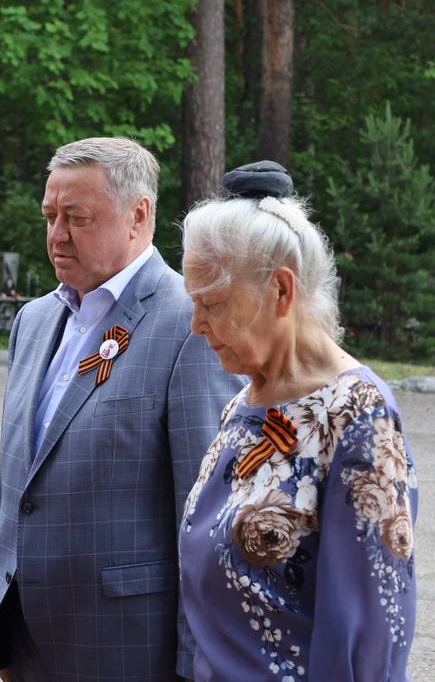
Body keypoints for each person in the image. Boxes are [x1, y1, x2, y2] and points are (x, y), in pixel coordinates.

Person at [0, 137, 244, 682]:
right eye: (50, 216)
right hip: (26, 644)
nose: (57, 235)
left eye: (77, 218)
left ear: (138, 215)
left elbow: (210, 522)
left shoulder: (192, 326)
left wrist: (197, 667)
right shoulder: (33, 322)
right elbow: (21, 491)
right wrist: (4, 634)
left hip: (127, 648)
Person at [177, 161, 418, 681]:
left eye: (212, 303)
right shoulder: (245, 402)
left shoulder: (357, 415)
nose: (196, 325)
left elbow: (367, 634)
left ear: (281, 291)